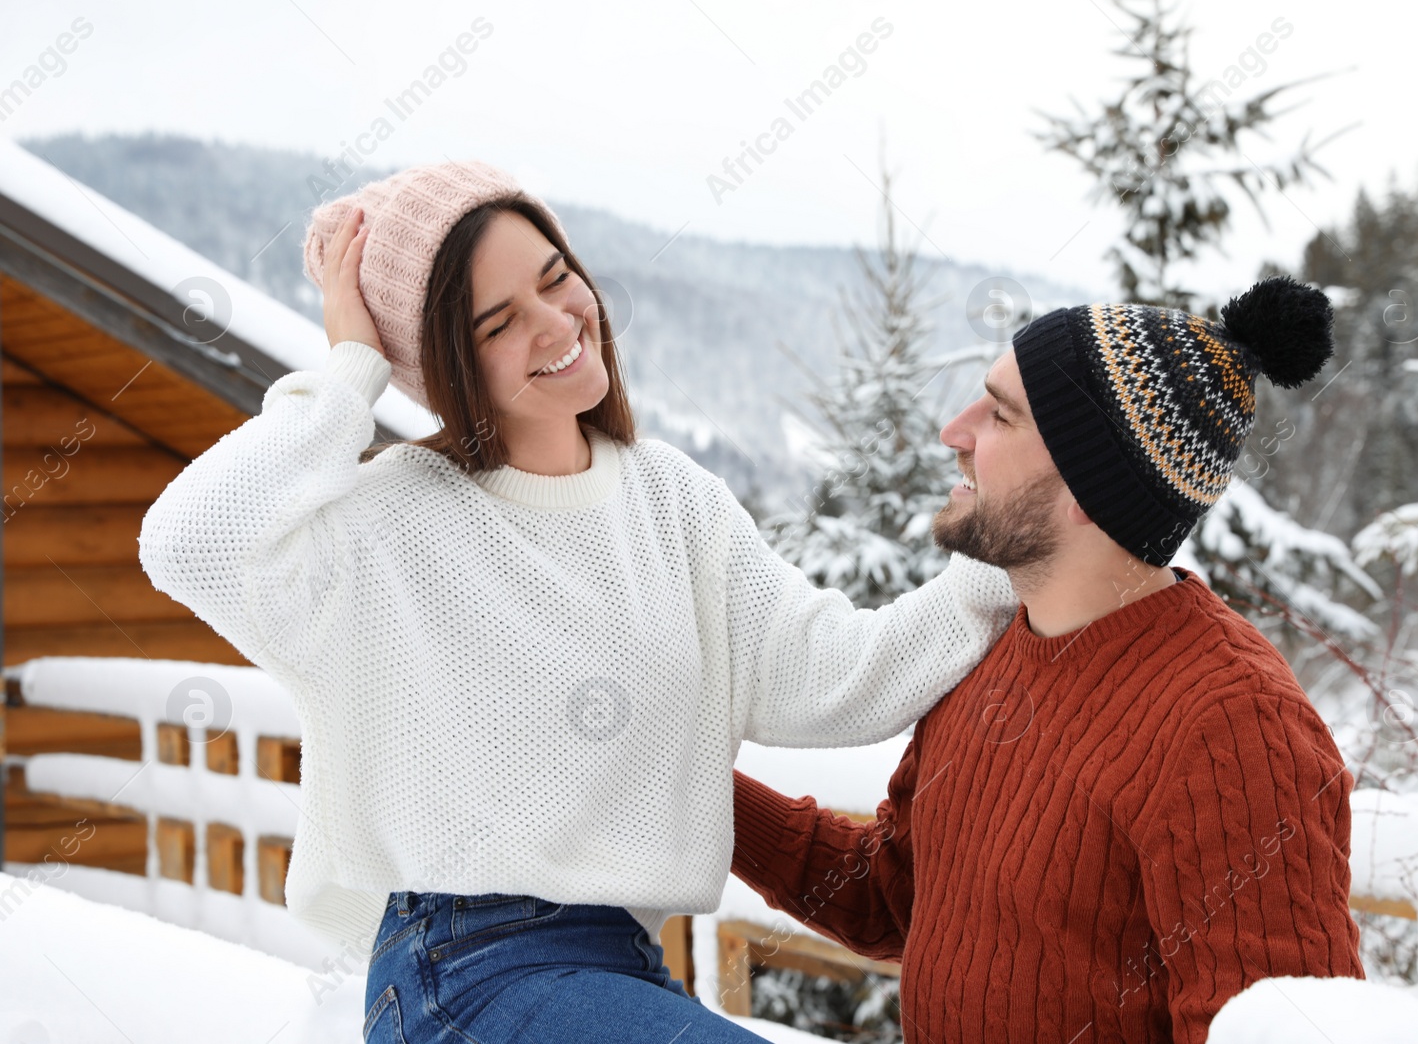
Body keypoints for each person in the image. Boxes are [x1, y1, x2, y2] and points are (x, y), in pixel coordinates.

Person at [136, 160, 1018, 1043]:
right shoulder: (393, 519)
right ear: (446, 361)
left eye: (557, 278)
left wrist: (1014, 551)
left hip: (622, 962)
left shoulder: (671, 501)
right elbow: (191, 541)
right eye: (500, 321)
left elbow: (832, 675)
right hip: (464, 970)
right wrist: (352, 368)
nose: (559, 321)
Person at [728, 280, 1367, 1043]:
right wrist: (696, 784)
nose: (953, 432)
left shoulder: (1232, 727)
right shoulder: (992, 644)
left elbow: (1281, 1029)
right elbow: (891, 894)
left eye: (998, 415)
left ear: (1090, 489)